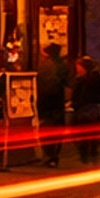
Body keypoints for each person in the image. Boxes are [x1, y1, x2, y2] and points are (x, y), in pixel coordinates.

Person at [35, 39, 71, 169]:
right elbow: (67, 83)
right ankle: (54, 156)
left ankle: (49, 156)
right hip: (58, 103)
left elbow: (42, 85)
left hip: (46, 103)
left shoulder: (45, 67)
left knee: (45, 131)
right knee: (57, 131)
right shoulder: (62, 66)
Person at [72, 56, 100, 167]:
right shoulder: (97, 78)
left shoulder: (82, 80)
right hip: (93, 109)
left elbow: (78, 96)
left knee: (81, 133)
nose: (77, 69)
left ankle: (85, 156)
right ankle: (92, 154)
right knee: (92, 134)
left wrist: (74, 104)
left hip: (84, 109)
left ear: (84, 68)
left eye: (78, 67)